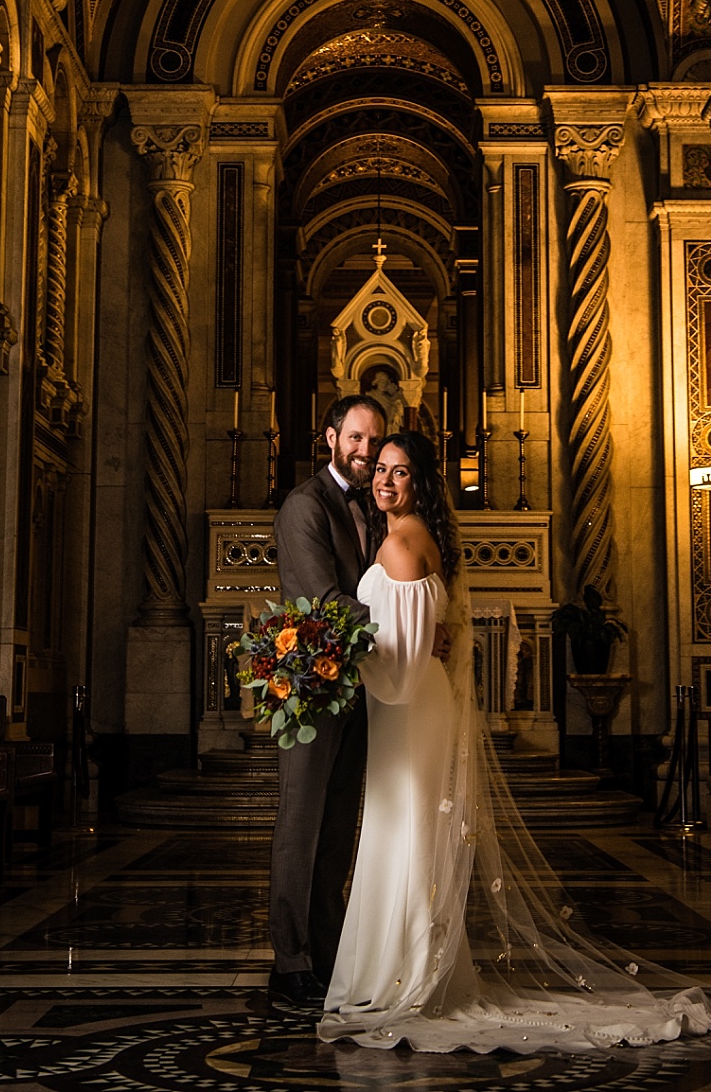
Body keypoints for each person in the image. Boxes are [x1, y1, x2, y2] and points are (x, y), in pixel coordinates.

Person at [319, 431, 711, 1056]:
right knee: (409, 834)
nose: (385, 481)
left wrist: (339, 658)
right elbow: (423, 639)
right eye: (381, 471)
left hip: (404, 709)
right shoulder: (421, 538)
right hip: (420, 708)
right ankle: (410, 970)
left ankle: (399, 981)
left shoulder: (399, 543)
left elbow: (394, 672)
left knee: (401, 834)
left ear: (420, 481)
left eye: (400, 472)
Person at [267, 393, 386, 1014]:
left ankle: (326, 953)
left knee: (338, 830)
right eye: (357, 438)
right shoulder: (303, 505)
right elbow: (326, 600)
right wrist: (407, 619)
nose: (366, 450)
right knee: (301, 825)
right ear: (332, 436)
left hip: (359, 687)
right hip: (313, 690)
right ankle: (288, 964)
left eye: (374, 440)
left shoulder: (373, 504)